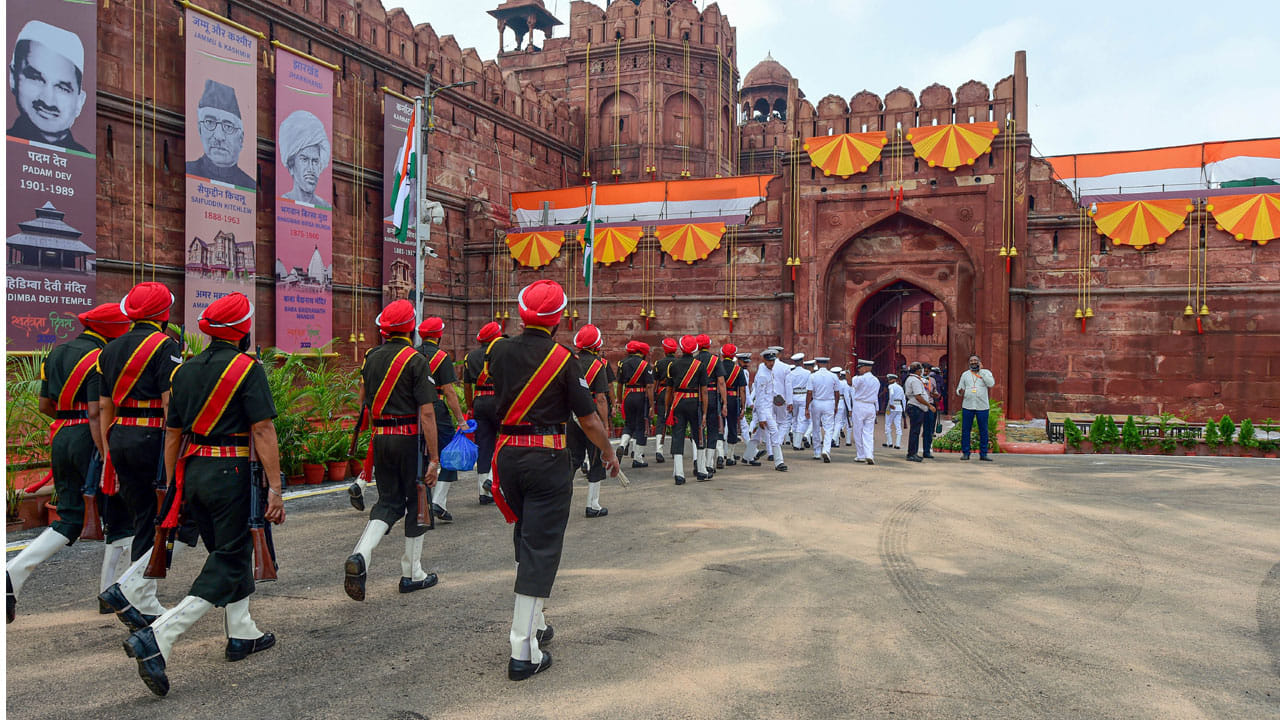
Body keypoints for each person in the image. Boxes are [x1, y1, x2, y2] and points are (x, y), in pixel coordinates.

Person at [121, 292, 285, 696]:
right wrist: (276, 487)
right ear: (243, 330)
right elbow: (263, 430)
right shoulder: (247, 369)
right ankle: (159, 637)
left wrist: (175, 484)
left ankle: (241, 631)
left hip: (195, 472)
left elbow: (173, 433)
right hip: (233, 473)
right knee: (230, 558)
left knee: (227, 552)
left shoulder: (185, 371)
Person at [485, 280, 619, 680]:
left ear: (521, 312)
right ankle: (522, 650)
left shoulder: (499, 351)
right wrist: (608, 451)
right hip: (546, 457)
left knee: (525, 536)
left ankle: (537, 623)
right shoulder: (564, 360)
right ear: (559, 318)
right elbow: (589, 418)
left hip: (507, 456)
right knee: (541, 547)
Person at [7, 303, 133, 625]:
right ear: (113, 329)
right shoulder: (101, 357)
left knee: (70, 517)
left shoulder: (57, 353)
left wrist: (68, 424)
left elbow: (45, 404)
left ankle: (11, 573)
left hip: (62, 434)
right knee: (119, 513)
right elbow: (95, 412)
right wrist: (106, 453)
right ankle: (111, 591)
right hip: (91, 437)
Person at [98, 282, 197, 633]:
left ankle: (144, 600)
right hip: (154, 436)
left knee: (143, 516)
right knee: (173, 515)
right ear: (164, 314)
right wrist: (181, 445)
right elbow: (171, 401)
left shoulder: (109, 350)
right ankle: (128, 587)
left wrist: (109, 453)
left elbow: (104, 407)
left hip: (120, 435)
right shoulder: (165, 346)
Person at [344, 300, 441, 603]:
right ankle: (412, 573)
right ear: (411, 328)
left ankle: (360, 555)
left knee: (387, 502)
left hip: (381, 438)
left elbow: (362, 399)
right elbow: (426, 413)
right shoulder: (415, 360)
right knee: (416, 502)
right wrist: (435, 458)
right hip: (409, 440)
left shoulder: (370, 357)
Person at [7, 21, 88, 152]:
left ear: (80, 102)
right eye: (36, 79)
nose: (47, 100)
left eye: (62, 88)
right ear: (13, 78)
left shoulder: (86, 166)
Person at [417, 317, 468, 522]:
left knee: (420, 455)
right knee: (450, 455)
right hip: (435, 409)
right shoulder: (441, 357)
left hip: (413, 410)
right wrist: (461, 419)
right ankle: (438, 501)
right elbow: (449, 392)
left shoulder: (411, 354)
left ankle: (421, 506)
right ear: (439, 335)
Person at [569, 325, 612, 517]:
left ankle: (558, 498)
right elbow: (601, 398)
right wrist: (606, 424)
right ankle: (592, 504)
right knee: (595, 459)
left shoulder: (571, 361)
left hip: (572, 415)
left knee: (573, 458)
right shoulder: (598, 364)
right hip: (592, 415)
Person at [186, 80, 255, 189]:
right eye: (209, 122)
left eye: (228, 127)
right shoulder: (188, 171)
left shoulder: (250, 186)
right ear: (200, 130)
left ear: (241, 139)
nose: (219, 136)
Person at [464, 321, 504, 504]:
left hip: (479, 402)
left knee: (484, 444)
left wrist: (471, 405)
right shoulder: (502, 354)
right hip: (498, 401)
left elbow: (466, 386)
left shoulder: (470, 357)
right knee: (505, 440)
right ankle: (490, 478)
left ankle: (483, 492)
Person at [664, 335, 710, 483]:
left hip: (678, 403)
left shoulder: (673, 365)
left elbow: (669, 391)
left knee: (678, 437)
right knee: (699, 436)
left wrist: (667, 408)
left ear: (681, 348)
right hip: (694, 402)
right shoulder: (700, 365)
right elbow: (704, 391)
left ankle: (679, 474)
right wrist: (704, 413)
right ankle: (702, 470)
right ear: (695, 349)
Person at [743, 349, 787, 471]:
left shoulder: (768, 371)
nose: (771, 363)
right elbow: (760, 398)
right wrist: (762, 418)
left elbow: (769, 393)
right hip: (764, 410)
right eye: (769, 361)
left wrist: (776, 399)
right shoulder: (763, 375)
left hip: (767, 407)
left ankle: (747, 456)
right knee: (774, 432)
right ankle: (779, 462)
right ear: (764, 360)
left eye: (773, 360)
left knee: (758, 436)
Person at [278, 110, 331, 206]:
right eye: (304, 160)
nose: (311, 169)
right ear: (291, 166)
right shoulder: (282, 202)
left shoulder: (325, 207)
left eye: (315, 161)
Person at [616, 340, 654, 468]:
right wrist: (651, 405)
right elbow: (649, 386)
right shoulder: (645, 365)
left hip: (628, 395)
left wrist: (619, 401)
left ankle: (622, 444)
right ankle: (638, 458)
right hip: (641, 396)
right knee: (641, 426)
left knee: (628, 424)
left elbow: (619, 385)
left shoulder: (622, 364)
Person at [694, 334, 726, 474]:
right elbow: (721, 382)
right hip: (712, 395)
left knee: (698, 429)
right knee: (713, 430)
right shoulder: (715, 360)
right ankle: (708, 464)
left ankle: (698, 461)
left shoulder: (694, 360)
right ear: (708, 345)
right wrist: (724, 402)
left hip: (697, 396)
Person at [956, 354, 996, 461]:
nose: (973, 362)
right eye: (971, 361)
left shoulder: (986, 372)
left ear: (979, 362)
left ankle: (983, 454)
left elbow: (991, 384)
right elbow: (959, 389)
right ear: (969, 363)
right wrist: (960, 392)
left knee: (983, 430)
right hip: (968, 405)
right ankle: (965, 453)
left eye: (975, 360)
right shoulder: (965, 374)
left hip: (982, 406)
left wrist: (981, 371)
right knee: (965, 430)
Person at [718, 345, 749, 466]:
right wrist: (743, 406)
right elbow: (742, 390)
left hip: (719, 399)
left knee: (719, 427)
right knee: (732, 427)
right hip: (733, 399)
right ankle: (730, 457)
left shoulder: (718, 367)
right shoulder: (738, 370)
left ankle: (720, 455)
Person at [807, 358, 839, 462]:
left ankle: (817, 452)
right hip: (829, 402)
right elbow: (837, 393)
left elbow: (809, 393)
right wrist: (836, 405)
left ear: (817, 364)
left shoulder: (812, 376)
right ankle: (826, 450)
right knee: (829, 428)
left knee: (816, 427)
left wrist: (807, 407)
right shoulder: (833, 376)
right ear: (827, 364)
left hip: (816, 402)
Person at [850, 359, 881, 465]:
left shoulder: (860, 379)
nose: (859, 370)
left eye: (860, 368)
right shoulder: (876, 380)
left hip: (860, 405)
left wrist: (847, 371)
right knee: (868, 432)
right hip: (871, 406)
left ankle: (861, 455)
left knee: (858, 431)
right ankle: (869, 454)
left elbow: (850, 383)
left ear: (866, 368)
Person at [652, 338, 677, 463]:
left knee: (661, 421)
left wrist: (653, 397)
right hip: (677, 394)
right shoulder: (678, 363)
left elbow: (655, 383)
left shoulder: (659, 363)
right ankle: (674, 450)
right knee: (677, 421)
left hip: (662, 393)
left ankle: (659, 450)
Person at [903, 362, 935, 462]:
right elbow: (918, 396)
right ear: (918, 370)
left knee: (915, 431)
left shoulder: (911, 379)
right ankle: (912, 454)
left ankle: (913, 453)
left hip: (915, 407)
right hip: (916, 407)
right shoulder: (915, 380)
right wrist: (929, 405)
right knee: (915, 431)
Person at [786, 353, 810, 450]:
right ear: (802, 361)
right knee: (801, 420)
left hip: (794, 396)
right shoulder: (807, 373)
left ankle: (795, 442)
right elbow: (809, 388)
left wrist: (789, 402)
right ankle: (797, 443)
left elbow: (788, 388)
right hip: (803, 396)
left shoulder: (791, 374)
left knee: (794, 419)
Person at [922, 363, 940, 459]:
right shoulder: (917, 379)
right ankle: (913, 451)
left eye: (927, 371)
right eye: (924, 370)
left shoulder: (932, 380)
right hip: (919, 405)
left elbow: (935, 391)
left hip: (930, 405)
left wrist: (936, 394)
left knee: (929, 430)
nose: (925, 372)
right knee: (916, 430)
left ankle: (926, 451)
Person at [883, 374, 905, 450]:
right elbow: (903, 399)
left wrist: (891, 404)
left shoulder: (891, 386)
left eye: (890, 379)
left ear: (894, 380)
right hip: (899, 407)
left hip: (891, 407)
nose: (889, 381)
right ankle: (897, 444)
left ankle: (890, 442)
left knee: (887, 424)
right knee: (898, 425)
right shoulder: (900, 387)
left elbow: (891, 394)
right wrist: (904, 409)